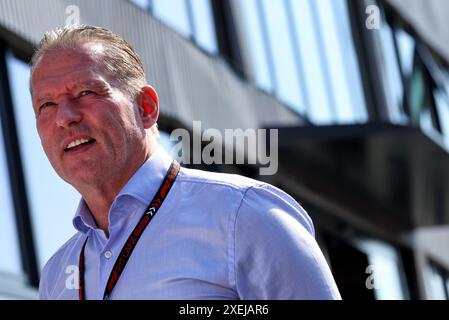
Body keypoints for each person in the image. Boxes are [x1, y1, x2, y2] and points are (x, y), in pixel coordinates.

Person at [30, 25, 341, 300]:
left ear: (146, 107)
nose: (65, 117)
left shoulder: (245, 215)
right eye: (47, 104)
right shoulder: (57, 275)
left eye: (86, 92)